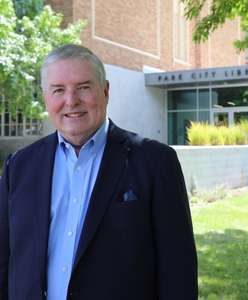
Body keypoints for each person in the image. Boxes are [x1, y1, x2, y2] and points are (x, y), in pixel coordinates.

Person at [0, 44, 198, 300]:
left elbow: (178, 271)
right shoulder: (19, 166)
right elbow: (4, 261)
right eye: (58, 90)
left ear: (105, 91)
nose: (71, 101)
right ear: (45, 97)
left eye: (83, 87)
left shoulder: (156, 163)